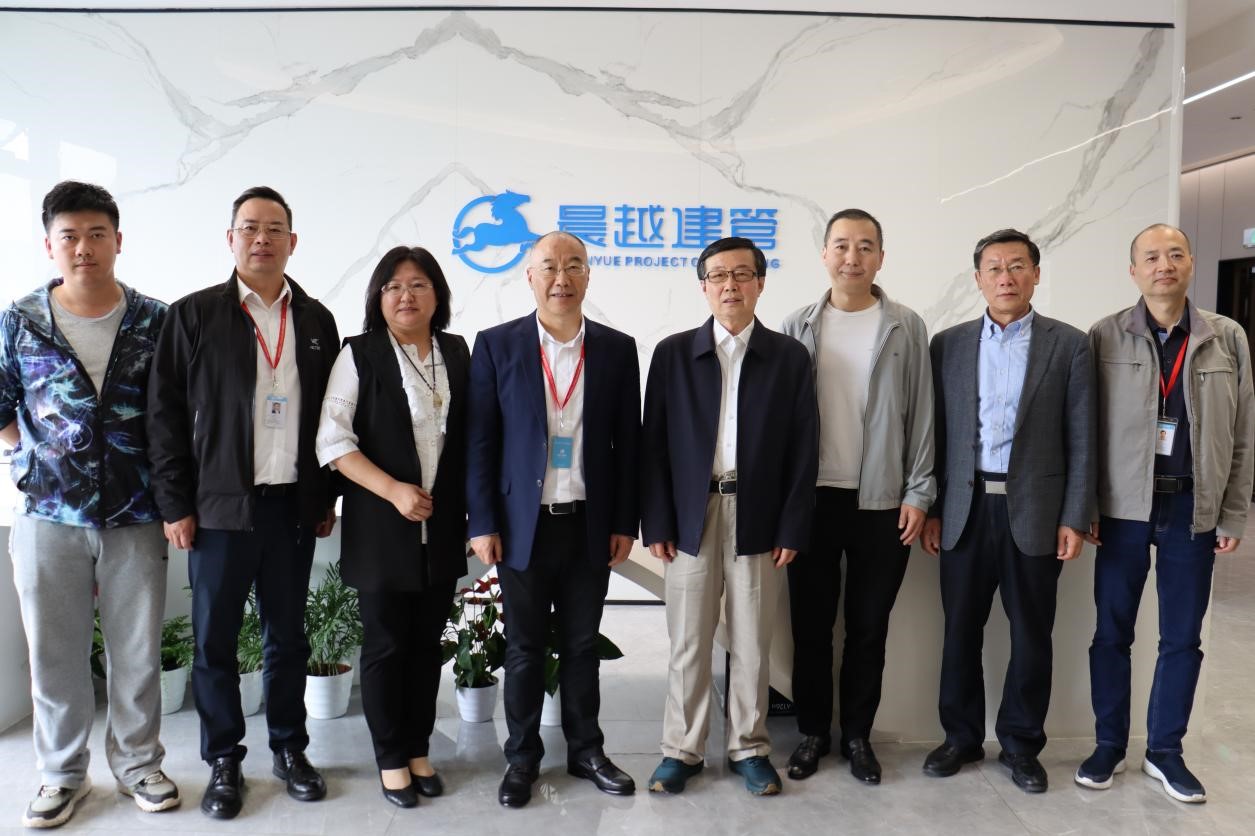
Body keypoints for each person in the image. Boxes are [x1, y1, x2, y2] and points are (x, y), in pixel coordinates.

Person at [147, 186, 340, 820]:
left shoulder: (316, 320)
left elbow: (334, 419)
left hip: (291, 509)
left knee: (287, 637)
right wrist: (175, 503)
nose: (262, 238)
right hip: (218, 510)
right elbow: (164, 418)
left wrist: (324, 497)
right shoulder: (194, 314)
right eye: (250, 227)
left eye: (274, 228)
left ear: (293, 241)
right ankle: (224, 760)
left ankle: (289, 749)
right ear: (230, 239)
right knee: (215, 642)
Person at [0, 181, 179, 828]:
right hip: (48, 517)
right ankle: (61, 774)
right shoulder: (21, 319)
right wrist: (35, 459)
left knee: (136, 652)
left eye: (96, 234)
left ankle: (138, 765)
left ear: (118, 241)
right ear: (50, 245)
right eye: (69, 236)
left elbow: (175, 415)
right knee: (53, 655)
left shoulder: (155, 320)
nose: (84, 248)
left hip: (136, 511)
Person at [1078, 224, 1253, 803]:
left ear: (1191, 263)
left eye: (1174, 254)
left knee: (1182, 638)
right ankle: (1108, 745)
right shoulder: (1104, 335)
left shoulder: (1226, 337)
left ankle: (1165, 751)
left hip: (1191, 509)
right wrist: (1087, 506)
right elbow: (1084, 430)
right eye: (1151, 257)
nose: (1164, 265)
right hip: (1122, 510)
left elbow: (1243, 432)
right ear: (1133, 271)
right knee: (1111, 633)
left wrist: (1232, 513)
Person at [466, 230, 641, 808]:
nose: (561, 278)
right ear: (530, 276)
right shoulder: (496, 345)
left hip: (589, 522)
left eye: (573, 266)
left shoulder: (617, 349)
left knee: (582, 645)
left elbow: (628, 444)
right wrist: (482, 522)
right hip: (524, 525)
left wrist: (625, 521)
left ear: (588, 275)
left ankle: (587, 751)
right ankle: (522, 758)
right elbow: (481, 442)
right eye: (549, 267)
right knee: (523, 648)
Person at [642, 236, 818, 796]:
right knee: (689, 639)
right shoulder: (673, 354)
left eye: (742, 274)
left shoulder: (789, 357)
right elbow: (653, 445)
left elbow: (804, 447)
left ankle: (749, 747)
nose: (730, 286)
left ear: (761, 283)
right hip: (691, 513)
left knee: (752, 641)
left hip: (759, 512)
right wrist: (658, 521)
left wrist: (792, 524)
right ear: (703, 287)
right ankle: (682, 750)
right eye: (718, 276)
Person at [921, 228, 1094, 794]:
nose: (1006, 277)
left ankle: (1021, 745)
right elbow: (935, 434)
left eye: (1017, 266)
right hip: (964, 509)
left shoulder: (1069, 345)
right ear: (978, 279)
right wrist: (933, 507)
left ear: (1036, 274)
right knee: (959, 631)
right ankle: (960, 737)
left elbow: (1082, 438)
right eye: (994, 268)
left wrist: (1074, 515)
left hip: (1036, 513)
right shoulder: (947, 345)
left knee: (1032, 635)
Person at [780, 209, 934, 784]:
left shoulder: (905, 326)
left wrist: (919, 491)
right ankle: (813, 732)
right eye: (842, 245)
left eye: (865, 246)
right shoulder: (797, 325)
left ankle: (857, 736)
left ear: (881, 257)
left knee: (869, 628)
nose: (853, 257)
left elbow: (923, 415)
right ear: (824, 254)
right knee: (811, 627)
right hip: (812, 501)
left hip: (883, 503)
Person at [315, 246, 469, 809]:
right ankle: (389, 757)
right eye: (393, 286)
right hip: (381, 527)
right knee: (385, 646)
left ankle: (418, 748)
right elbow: (333, 441)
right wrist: (393, 490)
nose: (406, 296)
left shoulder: (457, 351)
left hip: (441, 528)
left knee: (427, 646)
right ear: (378, 297)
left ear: (437, 295)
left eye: (419, 285)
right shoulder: (359, 354)